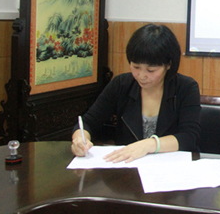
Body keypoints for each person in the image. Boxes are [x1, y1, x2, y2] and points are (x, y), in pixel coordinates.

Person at [71, 24, 201, 163]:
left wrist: (148, 145)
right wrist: (80, 139)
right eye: (136, 67)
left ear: (168, 65)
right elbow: (88, 122)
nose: (141, 76)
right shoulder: (121, 85)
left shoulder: (186, 88)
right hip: (128, 167)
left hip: (171, 167)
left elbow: (189, 138)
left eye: (151, 70)